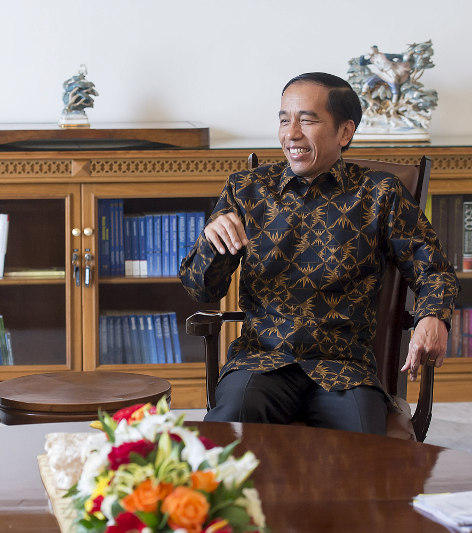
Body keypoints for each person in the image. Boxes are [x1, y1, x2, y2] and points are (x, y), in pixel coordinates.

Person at [179, 72, 458, 435]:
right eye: (284, 119)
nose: (291, 133)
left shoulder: (379, 194)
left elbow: (433, 268)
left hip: (344, 366)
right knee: (226, 438)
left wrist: (432, 316)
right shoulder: (247, 189)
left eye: (307, 120)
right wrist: (210, 245)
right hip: (261, 360)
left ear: (345, 132)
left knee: (363, 454)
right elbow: (201, 290)